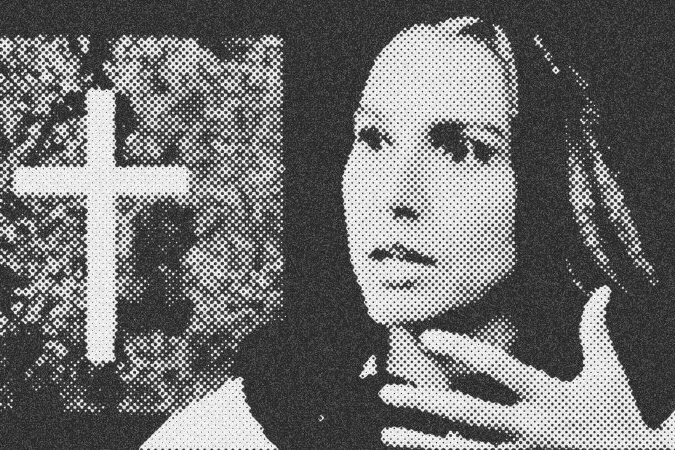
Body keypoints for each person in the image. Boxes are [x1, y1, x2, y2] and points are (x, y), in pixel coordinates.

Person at [143, 9, 675, 450]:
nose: (396, 195)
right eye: (374, 141)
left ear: (544, 185)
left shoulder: (650, 426)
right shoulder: (232, 434)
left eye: (461, 149)